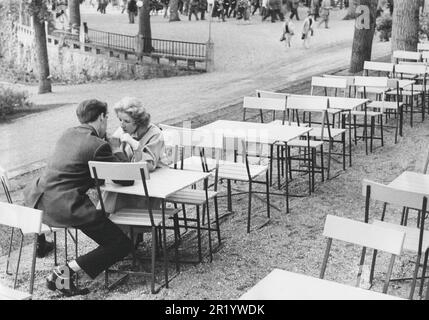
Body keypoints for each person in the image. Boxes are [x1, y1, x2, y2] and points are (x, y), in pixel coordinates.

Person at [24, 99, 134, 297]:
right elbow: (125, 179)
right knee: (121, 244)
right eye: (107, 118)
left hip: (40, 199)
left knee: (105, 223)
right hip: (65, 206)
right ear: (101, 117)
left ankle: (48, 250)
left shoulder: (68, 133)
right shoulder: (98, 145)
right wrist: (116, 147)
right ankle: (61, 273)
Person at [101, 97, 168, 220]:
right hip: (135, 177)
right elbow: (122, 160)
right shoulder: (123, 130)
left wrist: (135, 145)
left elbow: (149, 166)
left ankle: (125, 230)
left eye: (126, 121)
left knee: (121, 194)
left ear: (138, 121)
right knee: (113, 190)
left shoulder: (155, 133)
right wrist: (114, 148)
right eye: (120, 120)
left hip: (154, 181)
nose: (122, 124)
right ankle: (106, 222)